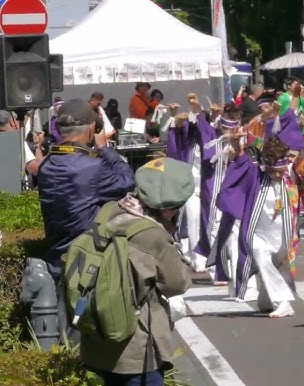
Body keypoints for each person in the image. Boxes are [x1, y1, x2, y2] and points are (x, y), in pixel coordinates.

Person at [81, 157, 193, 386]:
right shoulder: (153, 235)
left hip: (98, 334)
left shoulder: (110, 210)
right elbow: (177, 283)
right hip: (136, 346)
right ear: (170, 207)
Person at [37, 99, 135, 341]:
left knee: (67, 334)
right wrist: (105, 149)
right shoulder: (93, 167)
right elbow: (127, 181)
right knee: (90, 338)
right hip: (89, 263)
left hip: (57, 259)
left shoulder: (47, 165)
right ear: (91, 129)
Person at [210, 106, 304, 317]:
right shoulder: (257, 174)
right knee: (260, 255)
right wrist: (235, 143)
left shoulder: (292, 171)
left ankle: (270, 298)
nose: (277, 175)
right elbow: (240, 161)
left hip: (283, 230)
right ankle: (284, 301)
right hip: (259, 230)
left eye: (280, 171)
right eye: (273, 171)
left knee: (278, 264)